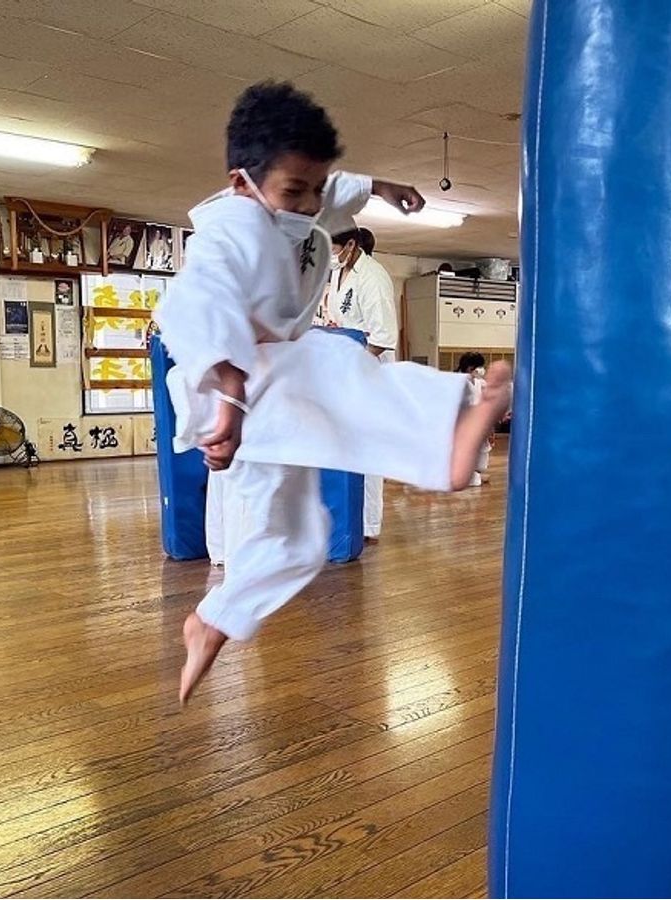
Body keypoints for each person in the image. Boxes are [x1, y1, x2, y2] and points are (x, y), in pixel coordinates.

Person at [155, 81, 512, 704]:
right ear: (241, 182)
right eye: (295, 191)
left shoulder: (297, 206)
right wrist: (231, 393)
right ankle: (453, 428)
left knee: (301, 539)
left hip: (268, 403)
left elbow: (334, 188)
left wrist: (381, 187)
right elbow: (190, 303)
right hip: (236, 389)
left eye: (315, 189)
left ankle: (212, 620)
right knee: (340, 367)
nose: (309, 203)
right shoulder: (227, 232)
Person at [328, 225, 399, 541]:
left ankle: (368, 524)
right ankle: (346, 516)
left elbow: (383, 335)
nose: (331, 253)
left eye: (333, 246)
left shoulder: (373, 276)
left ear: (351, 244)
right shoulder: (339, 272)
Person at [457, 352, 495, 487]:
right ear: (470, 367)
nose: (482, 369)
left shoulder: (480, 383)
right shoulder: (460, 382)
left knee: (483, 449)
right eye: (479, 366)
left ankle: (477, 473)